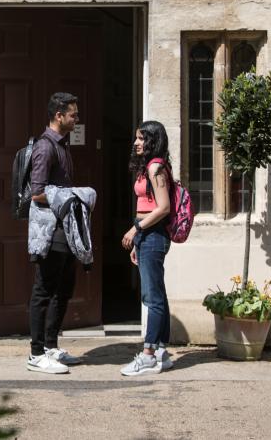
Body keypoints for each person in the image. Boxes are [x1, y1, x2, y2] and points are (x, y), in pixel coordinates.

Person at [25, 92, 84, 374]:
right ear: (58, 115)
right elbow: (36, 194)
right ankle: (36, 354)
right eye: (72, 114)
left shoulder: (62, 145)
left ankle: (50, 347)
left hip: (66, 229)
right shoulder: (46, 147)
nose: (76, 118)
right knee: (44, 291)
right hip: (51, 232)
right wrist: (71, 197)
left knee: (64, 290)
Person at [119, 120, 174, 376]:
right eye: (136, 138)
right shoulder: (148, 167)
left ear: (153, 140)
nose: (136, 143)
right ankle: (162, 350)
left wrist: (136, 231)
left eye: (141, 139)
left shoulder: (155, 167)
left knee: (152, 297)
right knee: (156, 294)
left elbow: (163, 208)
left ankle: (149, 354)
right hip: (146, 236)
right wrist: (137, 242)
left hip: (152, 234)